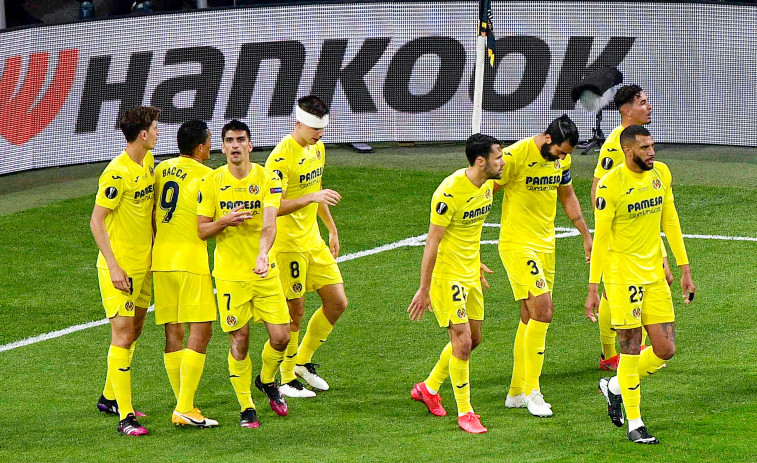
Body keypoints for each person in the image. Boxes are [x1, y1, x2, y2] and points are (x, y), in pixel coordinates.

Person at [586, 125, 695, 444]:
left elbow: (670, 220)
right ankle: (635, 423)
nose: (652, 152)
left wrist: (684, 267)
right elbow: (602, 239)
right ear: (628, 151)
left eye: (652, 146)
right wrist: (594, 288)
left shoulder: (661, 174)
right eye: (645, 147)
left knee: (665, 350)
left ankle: (614, 387)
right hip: (622, 277)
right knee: (630, 348)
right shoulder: (610, 186)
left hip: (653, 275)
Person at [408, 133, 504, 434]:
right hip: (446, 276)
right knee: (461, 341)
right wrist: (424, 289)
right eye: (498, 157)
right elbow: (432, 243)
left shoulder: (487, 187)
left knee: (473, 340)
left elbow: (469, 232)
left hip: (469, 274)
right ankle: (466, 413)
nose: (502, 162)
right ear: (480, 161)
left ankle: (429, 388)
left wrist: (474, 261)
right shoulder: (449, 193)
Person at [498, 115, 592, 418]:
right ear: (547, 139)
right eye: (561, 152)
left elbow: (568, 196)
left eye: (567, 155)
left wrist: (586, 235)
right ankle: (533, 392)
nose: (563, 158)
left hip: (545, 246)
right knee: (543, 310)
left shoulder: (560, 163)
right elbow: (484, 191)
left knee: (529, 317)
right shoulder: (514, 157)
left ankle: (515, 391)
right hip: (517, 244)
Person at [197, 119, 290, 429]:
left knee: (281, 337)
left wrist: (263, 253)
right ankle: (246, 406)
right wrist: (224, 221)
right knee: (240, 340)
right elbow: (201, 231)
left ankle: (265, 380)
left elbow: (269, 224)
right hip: (229, 276)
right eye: (229, 140)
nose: (235, 145)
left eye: (240, 140)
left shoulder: (268, 179)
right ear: (222, 148)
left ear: (250, 145)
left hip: (264, 271)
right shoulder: (210, 183)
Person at [264, 96, 347, 398]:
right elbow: (272, 207)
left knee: (337, 302)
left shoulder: (318, 148)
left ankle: (302, 361)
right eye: (313, 128)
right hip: (287, 246)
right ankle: (285, 379)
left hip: (312, 240)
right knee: (294, 311)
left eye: (322, 128)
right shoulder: (280, 159)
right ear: (297, 122)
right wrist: (311, 199)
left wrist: (331, 228)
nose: (318, 134)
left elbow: (317, 191)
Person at [591, 85, 674, 371]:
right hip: (620, 236)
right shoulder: (616, 143)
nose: (648, 107)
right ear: (627, 110)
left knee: (615, 294)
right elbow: (598, 186)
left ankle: (614, 355)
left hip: (641, 231)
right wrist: (607, 227)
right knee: (609, 293)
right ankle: (610, 354)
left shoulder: (639, 142)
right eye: (642, 102)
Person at [90, 106, 161, 436]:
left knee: (134, 331)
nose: (159, 133)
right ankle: (126, 417)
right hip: (118, 270)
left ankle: (109, 397)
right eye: (156, 128)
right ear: (143, 135)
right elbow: (96, 221)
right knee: (122, 334)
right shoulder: (116, 174)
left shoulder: (147, 162)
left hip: (143, 266)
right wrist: (115, 266)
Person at [152, 120, 217, 428]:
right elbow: (210, 223)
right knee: (201, 331)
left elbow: (152, 214)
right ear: (201, 147)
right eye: (209, 141)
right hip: (191, 260)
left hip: (161, 259)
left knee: (173, 331)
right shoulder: (209, 176)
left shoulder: (161, 169)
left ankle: (183, 405)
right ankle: (185, 407)